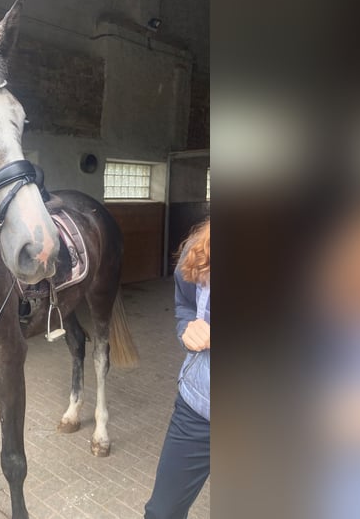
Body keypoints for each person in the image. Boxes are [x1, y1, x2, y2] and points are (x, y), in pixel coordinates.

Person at [144, 218, 210, 519]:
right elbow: (184, 304)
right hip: (199, 408)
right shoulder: (202, 249)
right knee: (161, 513)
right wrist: (187, 328)